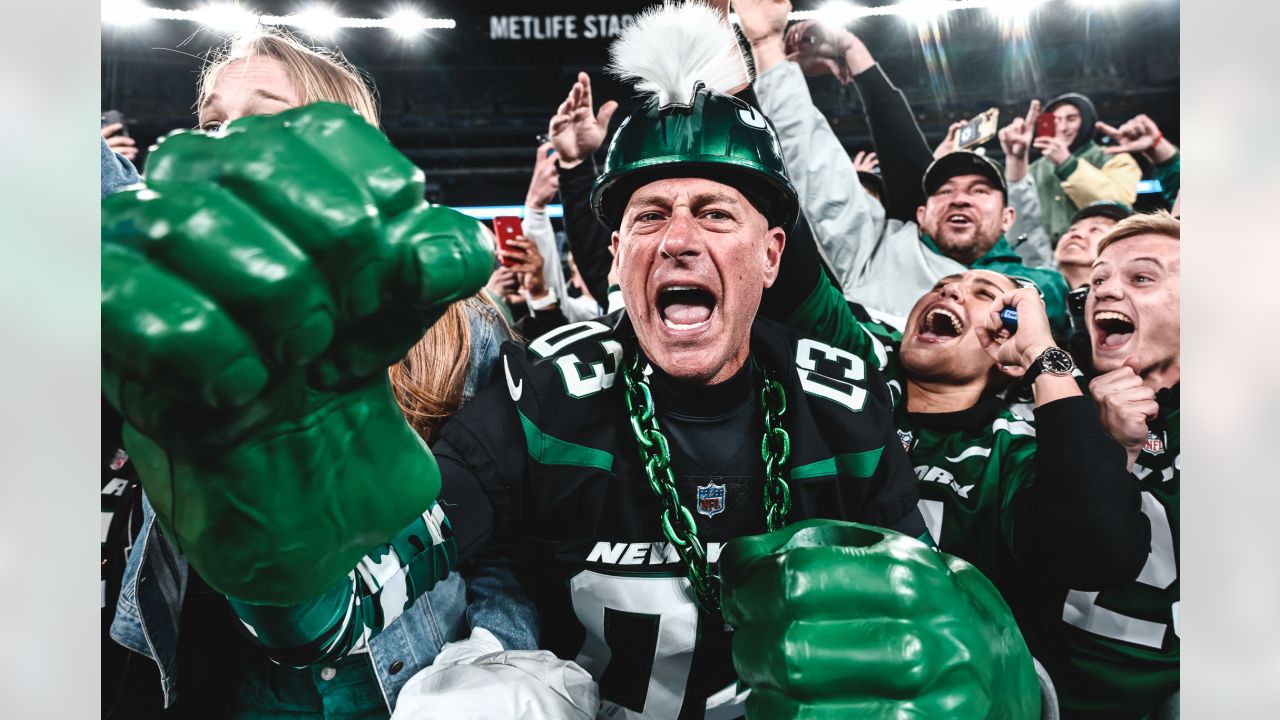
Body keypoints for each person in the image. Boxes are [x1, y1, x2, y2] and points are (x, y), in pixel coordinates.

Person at [101, 4, 1041, 719]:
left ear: (771, 258)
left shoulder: (844, 393)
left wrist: (1009, 676)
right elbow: (401, 569)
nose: (677, 242)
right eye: (646, 217)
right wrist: (293, 560)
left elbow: (929, 614)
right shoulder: (539, 387)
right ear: (618, 254)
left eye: (715, 214)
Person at [104, 27, 536, 718]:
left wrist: (496, 661)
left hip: (408, 685)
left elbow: (504, 540)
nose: (222, 141)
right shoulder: (162, 315)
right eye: (210, 122)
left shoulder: (461, 324)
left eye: (264, 117)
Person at [737, 5, 1070, 336]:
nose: (959, 199)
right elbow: (812, 160)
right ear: (921, 215)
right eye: (944, 191)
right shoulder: (879, 249)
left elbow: (1036, 316)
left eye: (979, 190)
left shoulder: (1041, 284)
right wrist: (766, 43)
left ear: (1008, 218)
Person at [1027, 211, 1181, 719]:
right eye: (1097, 280)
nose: (1106, 291)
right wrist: (1111, 447)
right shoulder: (1041, 402)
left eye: (1141, 277)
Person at [1000, 94, 1142, 243]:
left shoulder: (1114, 157)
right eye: (1055, 120)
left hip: (1098, 252)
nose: (1062, 127)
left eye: (1071, 119)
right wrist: (1016, 158)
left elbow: (1116, 204)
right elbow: (1017, 215)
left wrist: (1067, 164)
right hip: (1042, 260)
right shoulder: (1035, 168)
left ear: (1086, 121)